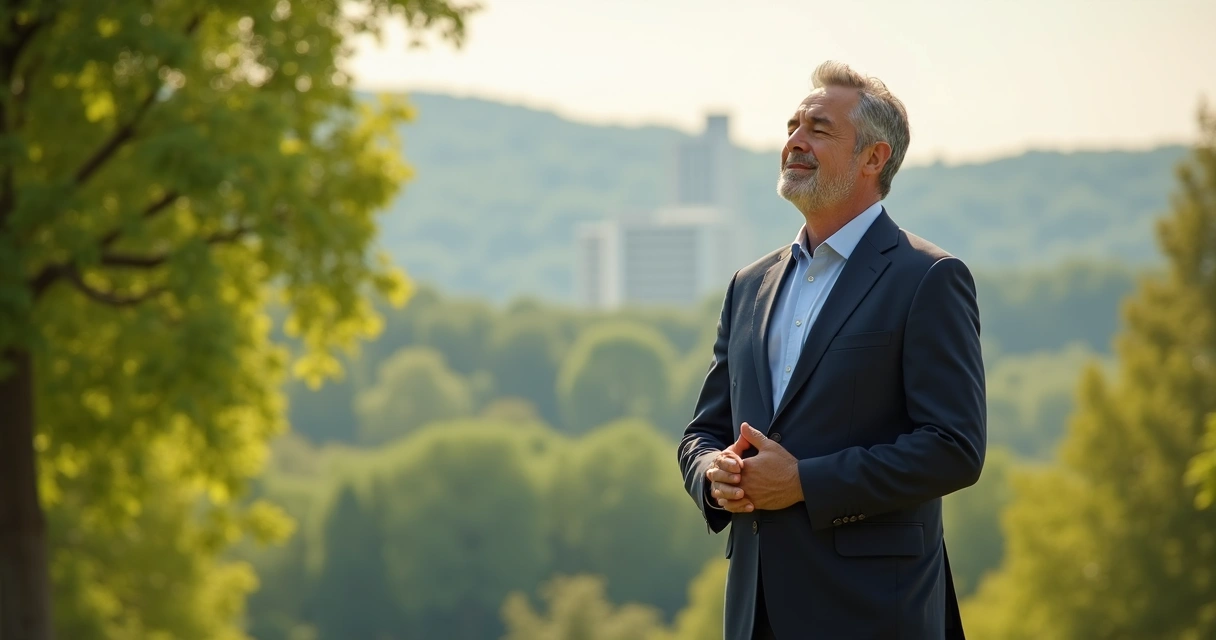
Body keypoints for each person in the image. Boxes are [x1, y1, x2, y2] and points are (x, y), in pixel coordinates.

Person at [677, 60, 986, 639]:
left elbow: (954, 448)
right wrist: (712, 475)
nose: (794, 141)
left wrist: (803, 483)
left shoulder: (929, 278)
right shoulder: (749, 284)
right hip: (754, 614)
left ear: (875, 158)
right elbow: (703, 432)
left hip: (873, 615)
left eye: (818, 129)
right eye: (793, 126)